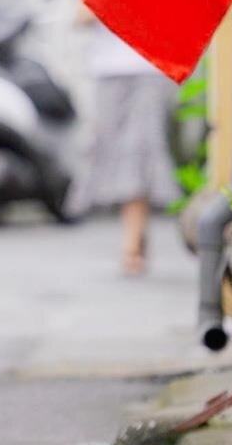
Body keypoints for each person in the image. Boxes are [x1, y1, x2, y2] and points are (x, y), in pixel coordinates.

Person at [71, 15, 179, 276]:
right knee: (115, 154)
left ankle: (131, 243)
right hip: (108, 71)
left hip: (150, 67)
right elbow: (79, 16)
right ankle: (136, 232)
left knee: (139, 150)